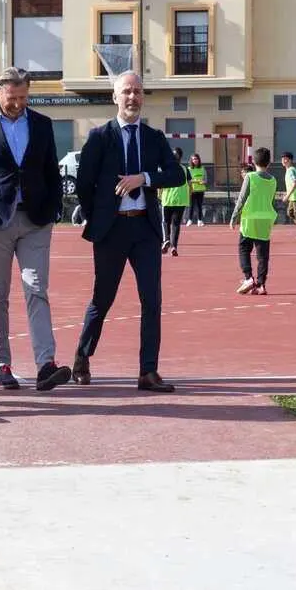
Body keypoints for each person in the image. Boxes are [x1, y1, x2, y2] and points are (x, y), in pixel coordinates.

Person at [71, 71, 184, 393]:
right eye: (126, 92)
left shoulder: (154, 137)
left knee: (152, 301)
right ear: (115, 97)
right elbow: (84, 185)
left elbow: (177, 175)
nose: (132, 97)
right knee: (102, 299)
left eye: (137, 91)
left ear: (143, 96)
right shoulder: (99, 136)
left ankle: (148, 371)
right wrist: (99, 219)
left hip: (146, 230)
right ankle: (82, 357)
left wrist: (145, 178)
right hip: (111, 231)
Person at [0, 67, 72, 392]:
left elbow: (51, 170)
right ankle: (1, 364)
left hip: (36, 220)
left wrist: (55, 207)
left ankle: (46, 364)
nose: (18, 104)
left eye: (24, 98)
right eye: (12, 98)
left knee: (36, 289)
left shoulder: (42, 124)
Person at [230, 147, 277, 296]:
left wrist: (234, 217)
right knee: (263, 255)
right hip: (266, 219)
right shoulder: (273, 180)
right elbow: (271, 199)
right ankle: (261, 285)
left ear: (254, 161)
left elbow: (242, 199)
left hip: (250, 218)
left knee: (244, 248)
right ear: (268, 162)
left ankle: (248, 277)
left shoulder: (250, 177)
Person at [160, 146, 190, 256]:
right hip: (181, 200)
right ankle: (174, 247)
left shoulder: (166, 168)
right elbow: (190, 185)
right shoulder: (184, 169)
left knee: (165, 222)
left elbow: (161, 183)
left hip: (168, 199)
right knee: (176, 224)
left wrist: (159, 193)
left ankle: (166, 240)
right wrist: (188, 196)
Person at [187, 153, 207, 226]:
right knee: (191, 206)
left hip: (200, 190)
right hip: (192, 190)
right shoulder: (189, 169)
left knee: (199, 206)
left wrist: (203, 182)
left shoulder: (202, 168)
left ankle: (200, 220)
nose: (195, 160)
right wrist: (196, 181)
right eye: (193, 159)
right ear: (191, 161)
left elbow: (205, 180)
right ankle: (189, 220)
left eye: (196, 159)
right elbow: (188, 180)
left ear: (199, 160)